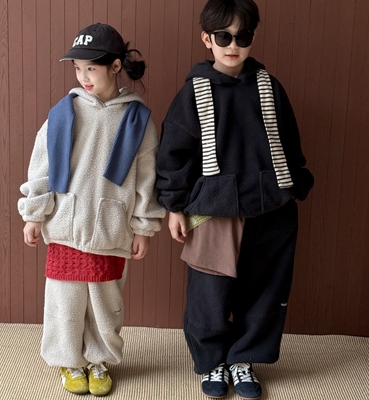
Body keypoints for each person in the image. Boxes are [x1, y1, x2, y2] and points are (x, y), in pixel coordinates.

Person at [156, 0, 314, 399]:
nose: (233, 45)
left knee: (264, 289)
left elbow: (289, 143)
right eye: (223, 37)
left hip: (271, 207)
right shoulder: (194, 91)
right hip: (214, 210)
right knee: (209, 293)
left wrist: (294, 184)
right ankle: (213, 361)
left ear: (252, 37)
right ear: (206, 38)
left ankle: (244, 359)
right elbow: (173, 153)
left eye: (243, 37)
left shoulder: (269, 86)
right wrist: (174, 206)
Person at [18, 23, 165, 396]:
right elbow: (42, 168)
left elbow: (147, 179)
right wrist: (34, 215)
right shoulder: (63, 113)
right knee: (65, 300)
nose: (83, 77)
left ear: (115, 66)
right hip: (64, 224)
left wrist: (144, 227)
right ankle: (69, 361)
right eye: (77, 68)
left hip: (111, 228)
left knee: (104, 301)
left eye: (91, 68)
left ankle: (99, 361)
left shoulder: (138, 120)